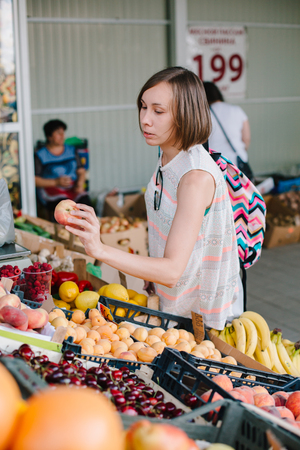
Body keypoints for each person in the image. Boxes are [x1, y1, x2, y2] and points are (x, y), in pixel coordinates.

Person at [65, 67, 240, 330]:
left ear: (185, 114)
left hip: (202, 322)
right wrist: (150, 272)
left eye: (158, 111)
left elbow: (171, 271)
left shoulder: (195, 178)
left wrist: (99, 249)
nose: (145, 119)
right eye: (143, 107)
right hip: (173, 307)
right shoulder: (167, 156)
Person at [34, 119, 92, 221]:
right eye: (58, 133)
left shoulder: (71, 150)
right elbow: (35, 180)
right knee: (62, 207)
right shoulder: (40, 155)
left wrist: (80, 184)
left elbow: (81, 170)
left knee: (85, 201)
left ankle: (85, 228)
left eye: (63, 133)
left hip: (72, 188)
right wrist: (56, 182)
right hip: (51, 190)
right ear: (49, 136)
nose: (62, 136)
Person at [203, 81, 251, 168]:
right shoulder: (237, 110)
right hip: (237, 162)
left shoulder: (203, 115)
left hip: (216, 164)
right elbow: (246, 139)